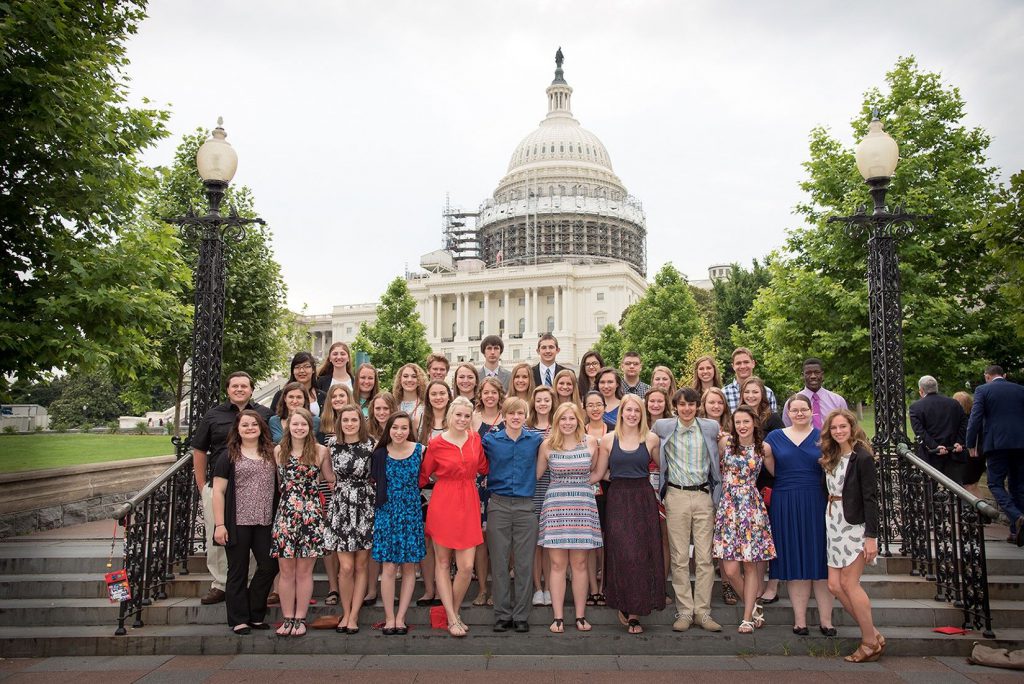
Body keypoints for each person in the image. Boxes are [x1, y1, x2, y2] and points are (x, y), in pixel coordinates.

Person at [192, 371, 273, 606]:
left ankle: (247, 583)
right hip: (219, 486)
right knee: (218, 535)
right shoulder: (213, 415)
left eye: (244, 386)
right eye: (235, 386)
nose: (239, 389)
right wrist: (201, 485)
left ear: (251, 389)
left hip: (254, 488)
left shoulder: (264, 414)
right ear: (227, 390)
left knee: (253, 541)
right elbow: (199, 450)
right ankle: (220, 584)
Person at [653, 387, 723, 632]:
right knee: (680, 557)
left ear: (697, 406)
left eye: (691, 404)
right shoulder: (662, 427)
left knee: (704, 558)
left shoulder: (710, 427)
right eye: (682, 404)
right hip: (676, 495)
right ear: (675, 406)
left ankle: (702, 613)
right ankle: (684, 611)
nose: (686, 409)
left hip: (704, 495)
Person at [765, 394, 835, 636]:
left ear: (811, 411)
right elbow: (770, 466)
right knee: (794, 559)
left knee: (819, 560)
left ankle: (827, 621)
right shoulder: (774, 437)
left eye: (803, 409)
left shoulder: (823, 438)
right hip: (785, 500)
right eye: (794, 410)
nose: (799, 413)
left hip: (815, 500)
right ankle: (800, 621)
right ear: (788, 413)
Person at [596, 394, 664, 634]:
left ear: (642, 414)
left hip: (643, 499)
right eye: (629, 410)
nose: (633, 414)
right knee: (622, 552)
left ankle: (634, 613)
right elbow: (599, 474)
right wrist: (571, 482)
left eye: (637, 410)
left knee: (639, 554)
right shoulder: (607, 439)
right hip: (617, 497)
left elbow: (664, 468)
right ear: (621, 412)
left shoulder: (652, 439)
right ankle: (623, 601)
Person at [820, 409, 884, 662]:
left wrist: (871, 536)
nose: (838, 431)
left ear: (851, 427)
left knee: (850, 583)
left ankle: (868, 642)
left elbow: (870, 498)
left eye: (842, 427)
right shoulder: (832, 455)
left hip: (854, 525)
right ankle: (874, 634)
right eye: (834, 428)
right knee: (834, 585)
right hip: (833, 522)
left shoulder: (863, 457)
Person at [422, 397, 487, 637]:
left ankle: (453, 612)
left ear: (471, 419)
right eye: (458, 415)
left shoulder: (475, 440)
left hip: (469, 501)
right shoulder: (436, 443)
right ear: (450, 416)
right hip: (443, 501)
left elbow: (483, 467)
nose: (462, 420)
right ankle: (452, 617)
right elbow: (424, 473)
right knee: (441, 562)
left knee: (466, 566)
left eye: (466, 416)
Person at [211, 409, 279, 635]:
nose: (250, 428)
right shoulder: (229, 455)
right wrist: (220, 525)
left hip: (265, 520)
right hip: (237, 521)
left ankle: (255, 611)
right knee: (237, 570)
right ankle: (239, 618)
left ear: (261, 428)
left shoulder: (271, 453)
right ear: (237, 430)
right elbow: (218, 492)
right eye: (245, 425)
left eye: (254, 425)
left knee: (270, 565)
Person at [536, 402, 601, 633]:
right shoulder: (547, 445)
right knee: (557, 564)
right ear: (556, 421)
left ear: (578, 420)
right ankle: (558, 617)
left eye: (571, 418)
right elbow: (537, 474)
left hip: (582, 506)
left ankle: (581, 616)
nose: (567, 423)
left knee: (580, 563)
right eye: (563, 419)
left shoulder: (590, 442)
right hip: (556, 506)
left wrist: (579, 487)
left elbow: (595, 472)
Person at [270, 407, 334, 637]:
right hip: (286, 515)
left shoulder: (320, 451)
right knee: (286, 570)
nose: (299, 428)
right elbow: (279, 483)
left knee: (305, 571)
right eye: (295, 424)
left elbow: (330, 480)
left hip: (311, 514)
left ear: (310, 427)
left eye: (303, 424)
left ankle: (300, 617)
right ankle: (287, 617)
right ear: (288, 426)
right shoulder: (279, 451)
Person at [712, 406, 776, 633]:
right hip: (729, 507)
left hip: (751, 507)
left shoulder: (764, 448)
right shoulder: (726, 444)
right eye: (738, 422)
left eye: (746, 421)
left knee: (750, 565)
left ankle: (747, 617)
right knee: (730, 570)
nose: (742, 426)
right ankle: (755, 607)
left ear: (754, 423)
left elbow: (776, 474)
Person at [483, 397, 543, 633]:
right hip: (498, 504)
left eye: (520, 413)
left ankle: (521, 614)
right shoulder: (490, 441)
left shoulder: (536, 440)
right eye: (511, 413)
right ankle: (502, 614)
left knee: (524, 563)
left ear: (525, 415)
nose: (516, 417)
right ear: (504, 415)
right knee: (498, 561)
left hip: (525, 506)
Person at [370, 412, 426, 636]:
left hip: (411, 512)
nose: (399, 432)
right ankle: (389, 617)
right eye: (395, 428)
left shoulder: (420, 450)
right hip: (387, 512)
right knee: (389, 567)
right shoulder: (380, 454)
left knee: (410, 566)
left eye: (404, 428)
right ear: (388, 430)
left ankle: (401, 617)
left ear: (409, 429)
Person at [323, 404, 376, 634]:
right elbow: (326, 473)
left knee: (361, 564)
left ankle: (354, 615)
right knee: (345, 567)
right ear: (340, 422)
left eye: (354, 420)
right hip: (341, 505)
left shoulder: (371, 444)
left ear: (360, 421)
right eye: (346, 420)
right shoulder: (332, 445)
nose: (350, 424)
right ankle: (345, 612)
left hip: (364, 504)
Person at [966, 365, 1024, 546]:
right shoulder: (1020, 389)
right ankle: (1016, 533)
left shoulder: (983, 390)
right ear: (1004, 375)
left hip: (997, 444)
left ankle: (1017, 516)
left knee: (995, 483)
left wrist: (970, 443)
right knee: (1018, 486)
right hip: (1021, 443)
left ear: (987, 376)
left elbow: (975, 418)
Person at [414, 380, 452, 607]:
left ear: (449, 395)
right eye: (434, 394)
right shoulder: (419, 421)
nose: (438, 397)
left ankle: (444, 589)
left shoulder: (456, 419)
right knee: (427, 540)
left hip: (449, 488)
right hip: (426, 488)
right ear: (428, 397)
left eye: (442, 393)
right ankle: (430, 589)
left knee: (446, 541)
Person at [909, 375, 969, 481]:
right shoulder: (953, 403)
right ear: (937, 387)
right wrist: (958, 442)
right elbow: (964, 423)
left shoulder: (916, 407)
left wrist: (935, 446)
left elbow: (920, 431)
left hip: (930, 455)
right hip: (953, 452)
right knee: (957, 489)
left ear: (921, 391)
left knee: (930, 488)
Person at [528, 386, 555, 608]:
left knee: (550, 542)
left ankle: (549, 587)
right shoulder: (527, 429)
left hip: (554, 489)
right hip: (533, 489)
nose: (543, 404)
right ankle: (538, 587)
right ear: (533, 403)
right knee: (536, 542)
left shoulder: (560, 428)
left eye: (547, 400)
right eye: (539, 400)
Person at [582, 390, 608, 606]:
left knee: (607, 540)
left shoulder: (614, 430)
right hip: (587, 490)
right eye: (590, 405)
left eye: (598, 404)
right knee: (590, 541)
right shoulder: (579, 431)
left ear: (605, 406)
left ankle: (605, 586)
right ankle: (592, 589)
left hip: (611, 489)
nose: (595, 408)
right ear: (585, 408)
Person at [783, 358, 848, 429]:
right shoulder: (792, 403)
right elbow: (787, 429)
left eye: (817, 372)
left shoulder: (838, 401)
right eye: (808, 373)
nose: (813, 376)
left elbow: (845, 427)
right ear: (802, 375)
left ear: (822, 375)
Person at [271, 352, 327, 416]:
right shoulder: (280, 395)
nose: (302, 371)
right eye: (297, 367)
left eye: (306, 366)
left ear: (313, 370)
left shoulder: (322, 396)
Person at [723, 347, 777, 412]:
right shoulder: (724, 394)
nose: (742, 366)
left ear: (753, 364)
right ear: (733, 366)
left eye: (746, 362)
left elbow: (773, 420)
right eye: (738, 363)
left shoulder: (767, 393)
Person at [953, 391, 986, 496]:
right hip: (980, 453)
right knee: (973, 485)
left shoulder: (962, 421)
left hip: (968, 455)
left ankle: (975, 510)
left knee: (968, 486)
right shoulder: (977, 418)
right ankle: (980, 510)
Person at [393, 363, 427, 427]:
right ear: (400, 379)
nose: (409, 380)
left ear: (420, 380)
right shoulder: (393, 405)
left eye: (414, 376)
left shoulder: (426, 406)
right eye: (405, 376)